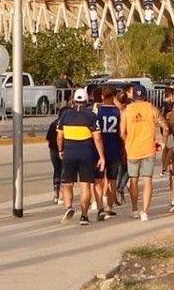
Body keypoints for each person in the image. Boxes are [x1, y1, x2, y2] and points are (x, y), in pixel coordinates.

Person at [54, 90, 104, 224]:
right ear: (87, 100)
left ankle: (68, 207)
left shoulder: (65, 115)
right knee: (85, 185)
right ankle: (84, 215)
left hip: (69, 152)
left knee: (67, 184)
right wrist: (101, 156)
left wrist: (60, 150)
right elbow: (97, 138)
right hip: (86, 153)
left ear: (73, 100)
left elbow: (59, 136)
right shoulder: (92, 116)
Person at [122, 87, 163, 219]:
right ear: (145, 96)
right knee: (147, 180)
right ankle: (145, 211)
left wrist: (127, 142)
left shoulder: (126, 111)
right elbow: (165, 126)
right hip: (149, 149)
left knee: (133, 180)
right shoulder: (151, 108)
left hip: (133, 150)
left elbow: (122, 133)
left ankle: (135, 209)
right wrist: (162, 141)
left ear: (132, 96)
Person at [92, 87, 124, 217]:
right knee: (112, 179)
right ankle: (109, 208)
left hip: (99, 149)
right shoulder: (118, 112)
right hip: (114, 148)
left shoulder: (96, 111)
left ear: (101, 96)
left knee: (98, 179)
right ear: (114, 96)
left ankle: (98, 203)